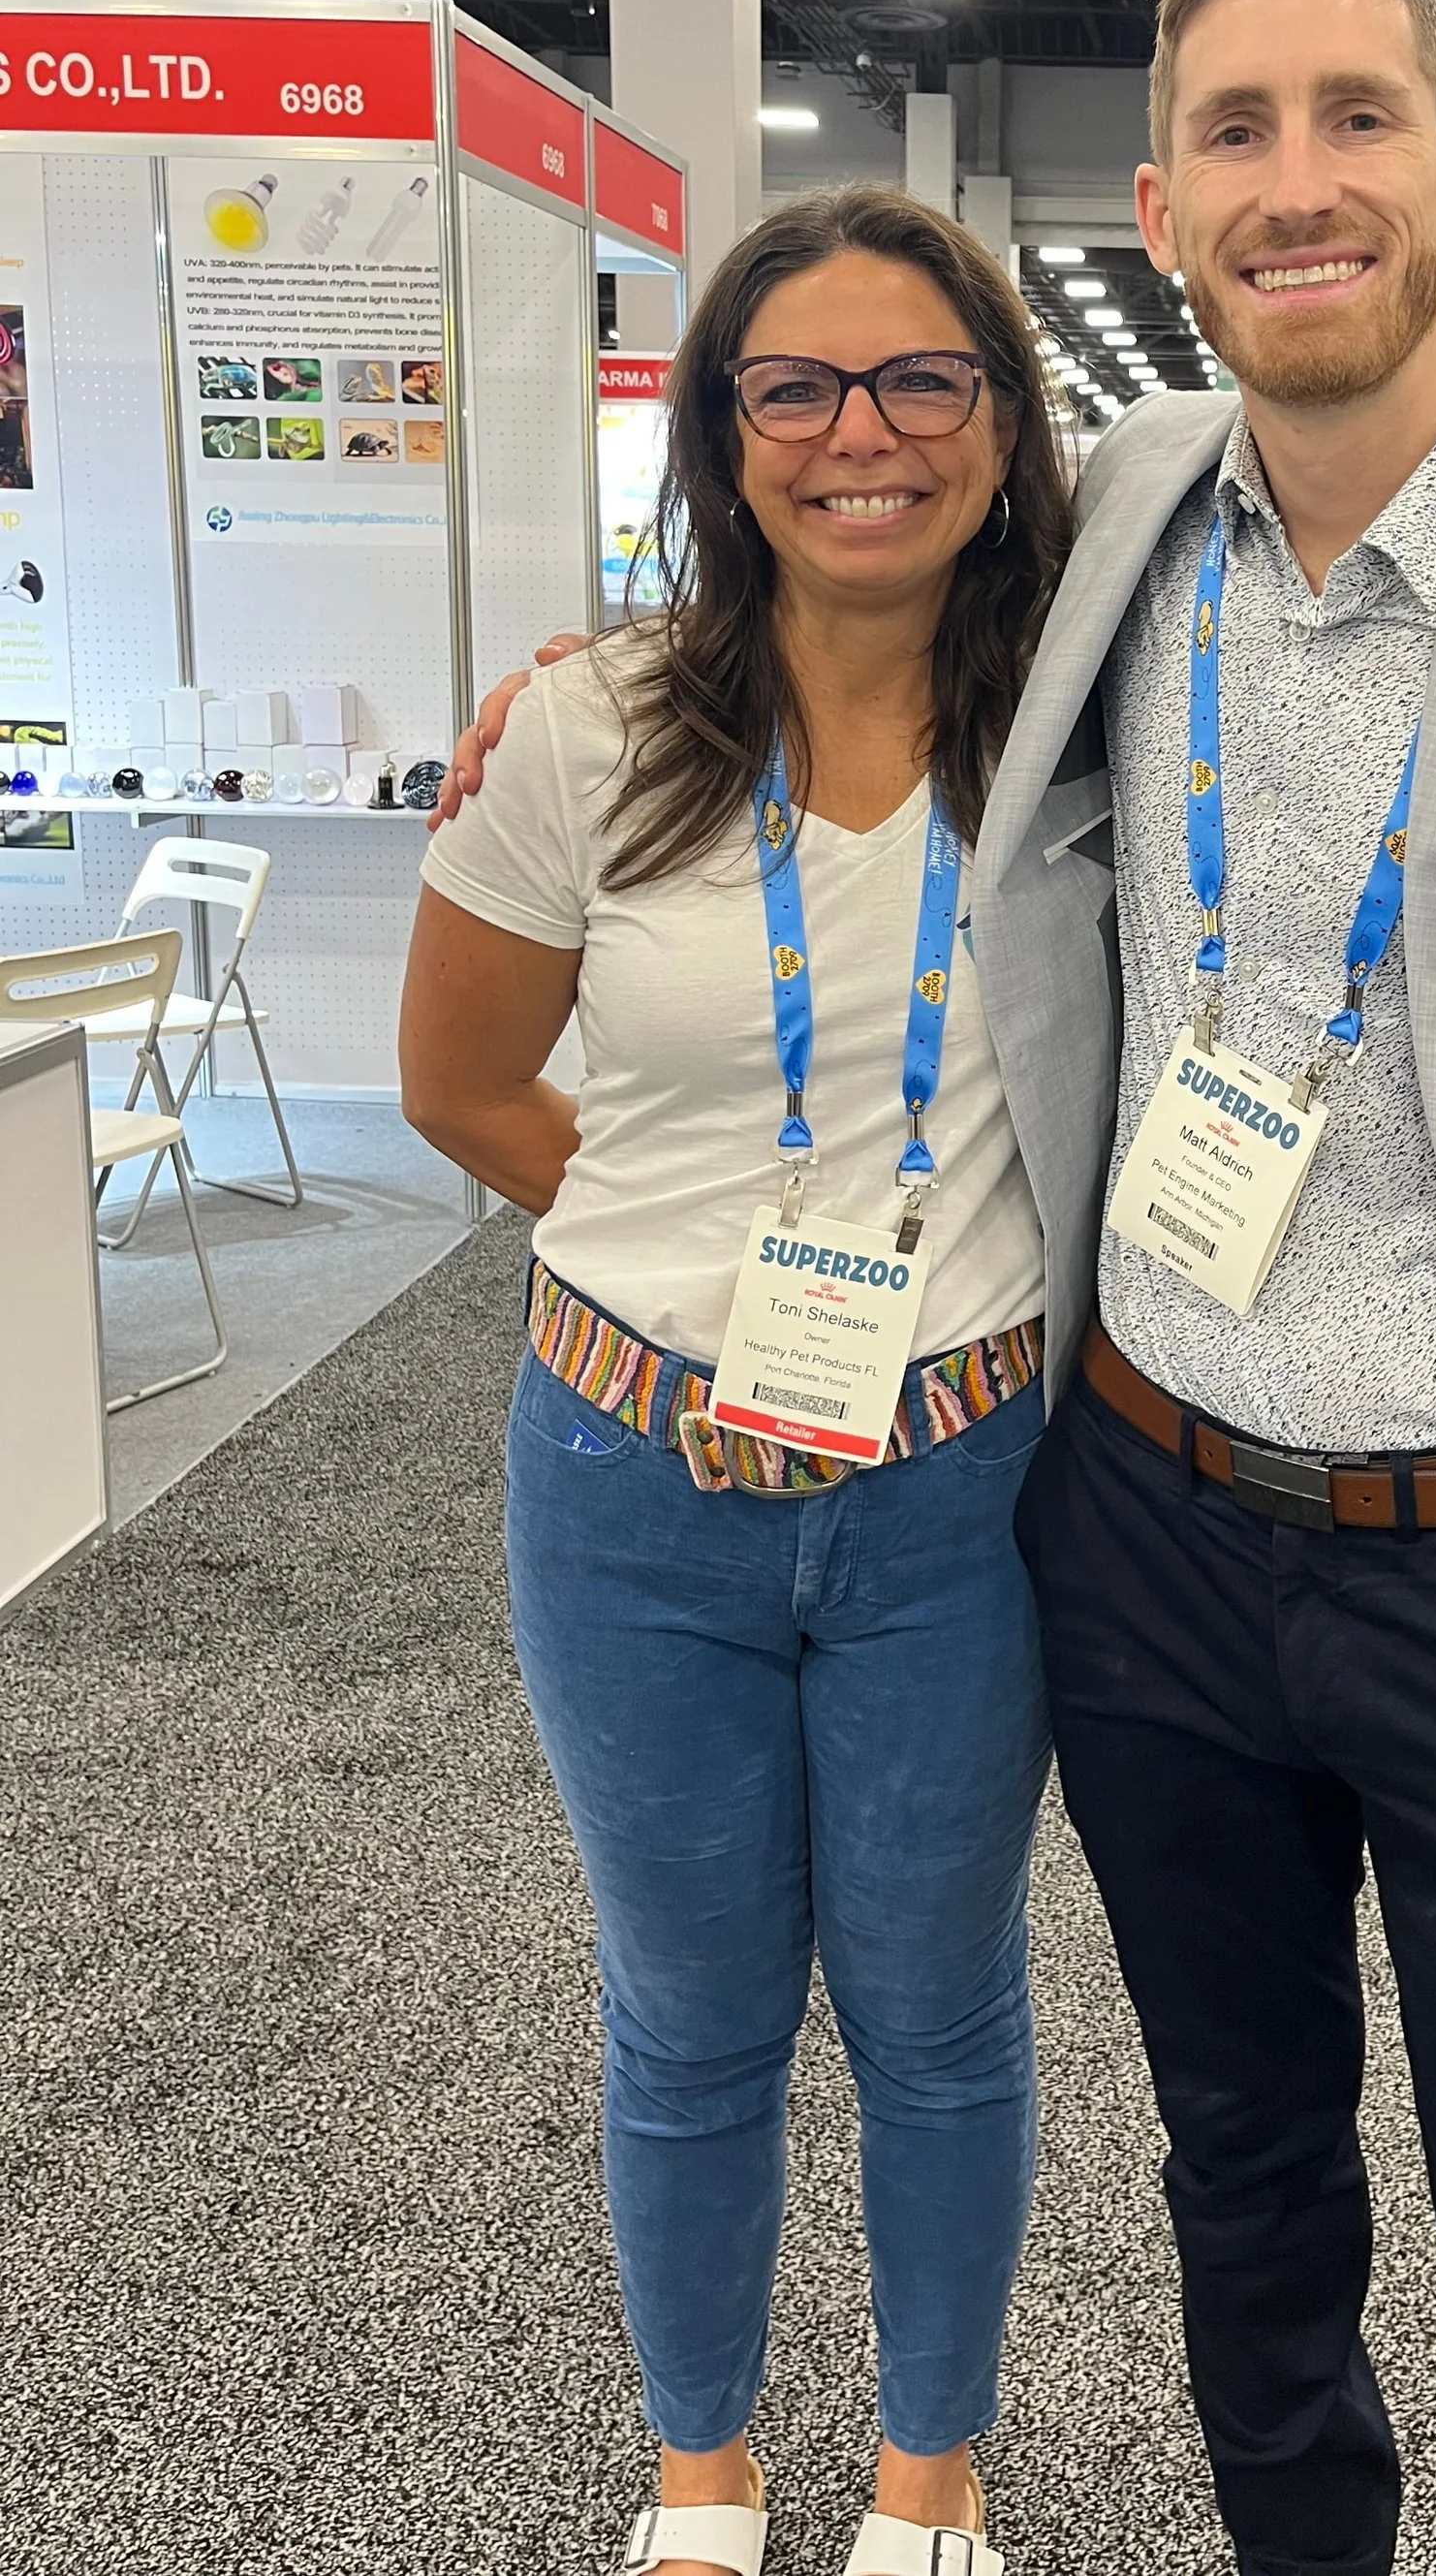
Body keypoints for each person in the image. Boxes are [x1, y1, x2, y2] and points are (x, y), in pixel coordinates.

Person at [452, 0, 1436, 2575]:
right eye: (1234, 129)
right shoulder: (1104, 527)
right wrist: (599, 683)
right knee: (1244, 2188)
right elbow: (835, 551)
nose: (1298, 177)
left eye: (1353, 113)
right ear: (1163, 205)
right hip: (1134, 1535)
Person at [401, 186, 1077, 2576]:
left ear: (1003, 421)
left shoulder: (1091, 721)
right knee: (687, 2012)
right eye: (792, 385)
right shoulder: (590, 728)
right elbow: (464, 1085)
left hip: (958, 1486)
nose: (859, 434)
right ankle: (701, 2471)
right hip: (634, 1475)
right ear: (719, 432)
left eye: (922, 380)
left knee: (936, 2003)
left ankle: (928, 2479)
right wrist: (678, 1258)